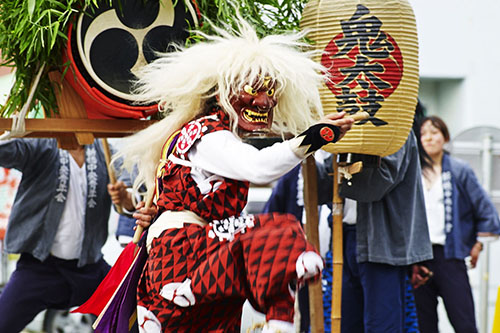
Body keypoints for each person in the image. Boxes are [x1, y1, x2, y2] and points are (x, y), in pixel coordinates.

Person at [113, 18, 354, 333]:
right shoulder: (208, 135)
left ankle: (275, 317)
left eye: (272, 92)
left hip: (196, 256)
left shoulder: (198, 134)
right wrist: (316, 136)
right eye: (255, 89)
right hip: (185, 255)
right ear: (222, 90)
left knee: (261, 248)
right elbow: (259, 167)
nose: (264, 101)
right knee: (278, 231)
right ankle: (253, 308)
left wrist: (144, 207)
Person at [319, 111, 434, 332]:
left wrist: (339, 176)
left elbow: (379, 182)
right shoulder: (342, 128)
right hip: (343, 239)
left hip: (383, 243)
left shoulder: (396, 127)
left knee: (382, 325)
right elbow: (322, 184)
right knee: (344, 323)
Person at [0, 138, 112, 333]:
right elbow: (8, 151)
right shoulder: (42, 143)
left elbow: (132, 189)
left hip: (90, 268)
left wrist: (127, 199)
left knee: (132, 312)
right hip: (40, 268)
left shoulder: (104, 147)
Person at [415, 115, 500, 332]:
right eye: (424, 134)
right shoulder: (413, 172)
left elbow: (485, 209)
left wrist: (478, 244)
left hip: (450, 256)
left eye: (434, 133)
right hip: (419, 259)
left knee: (463, 321)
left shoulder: (459, 169)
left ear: (445, 137)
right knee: (424, 324)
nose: (429, 138)